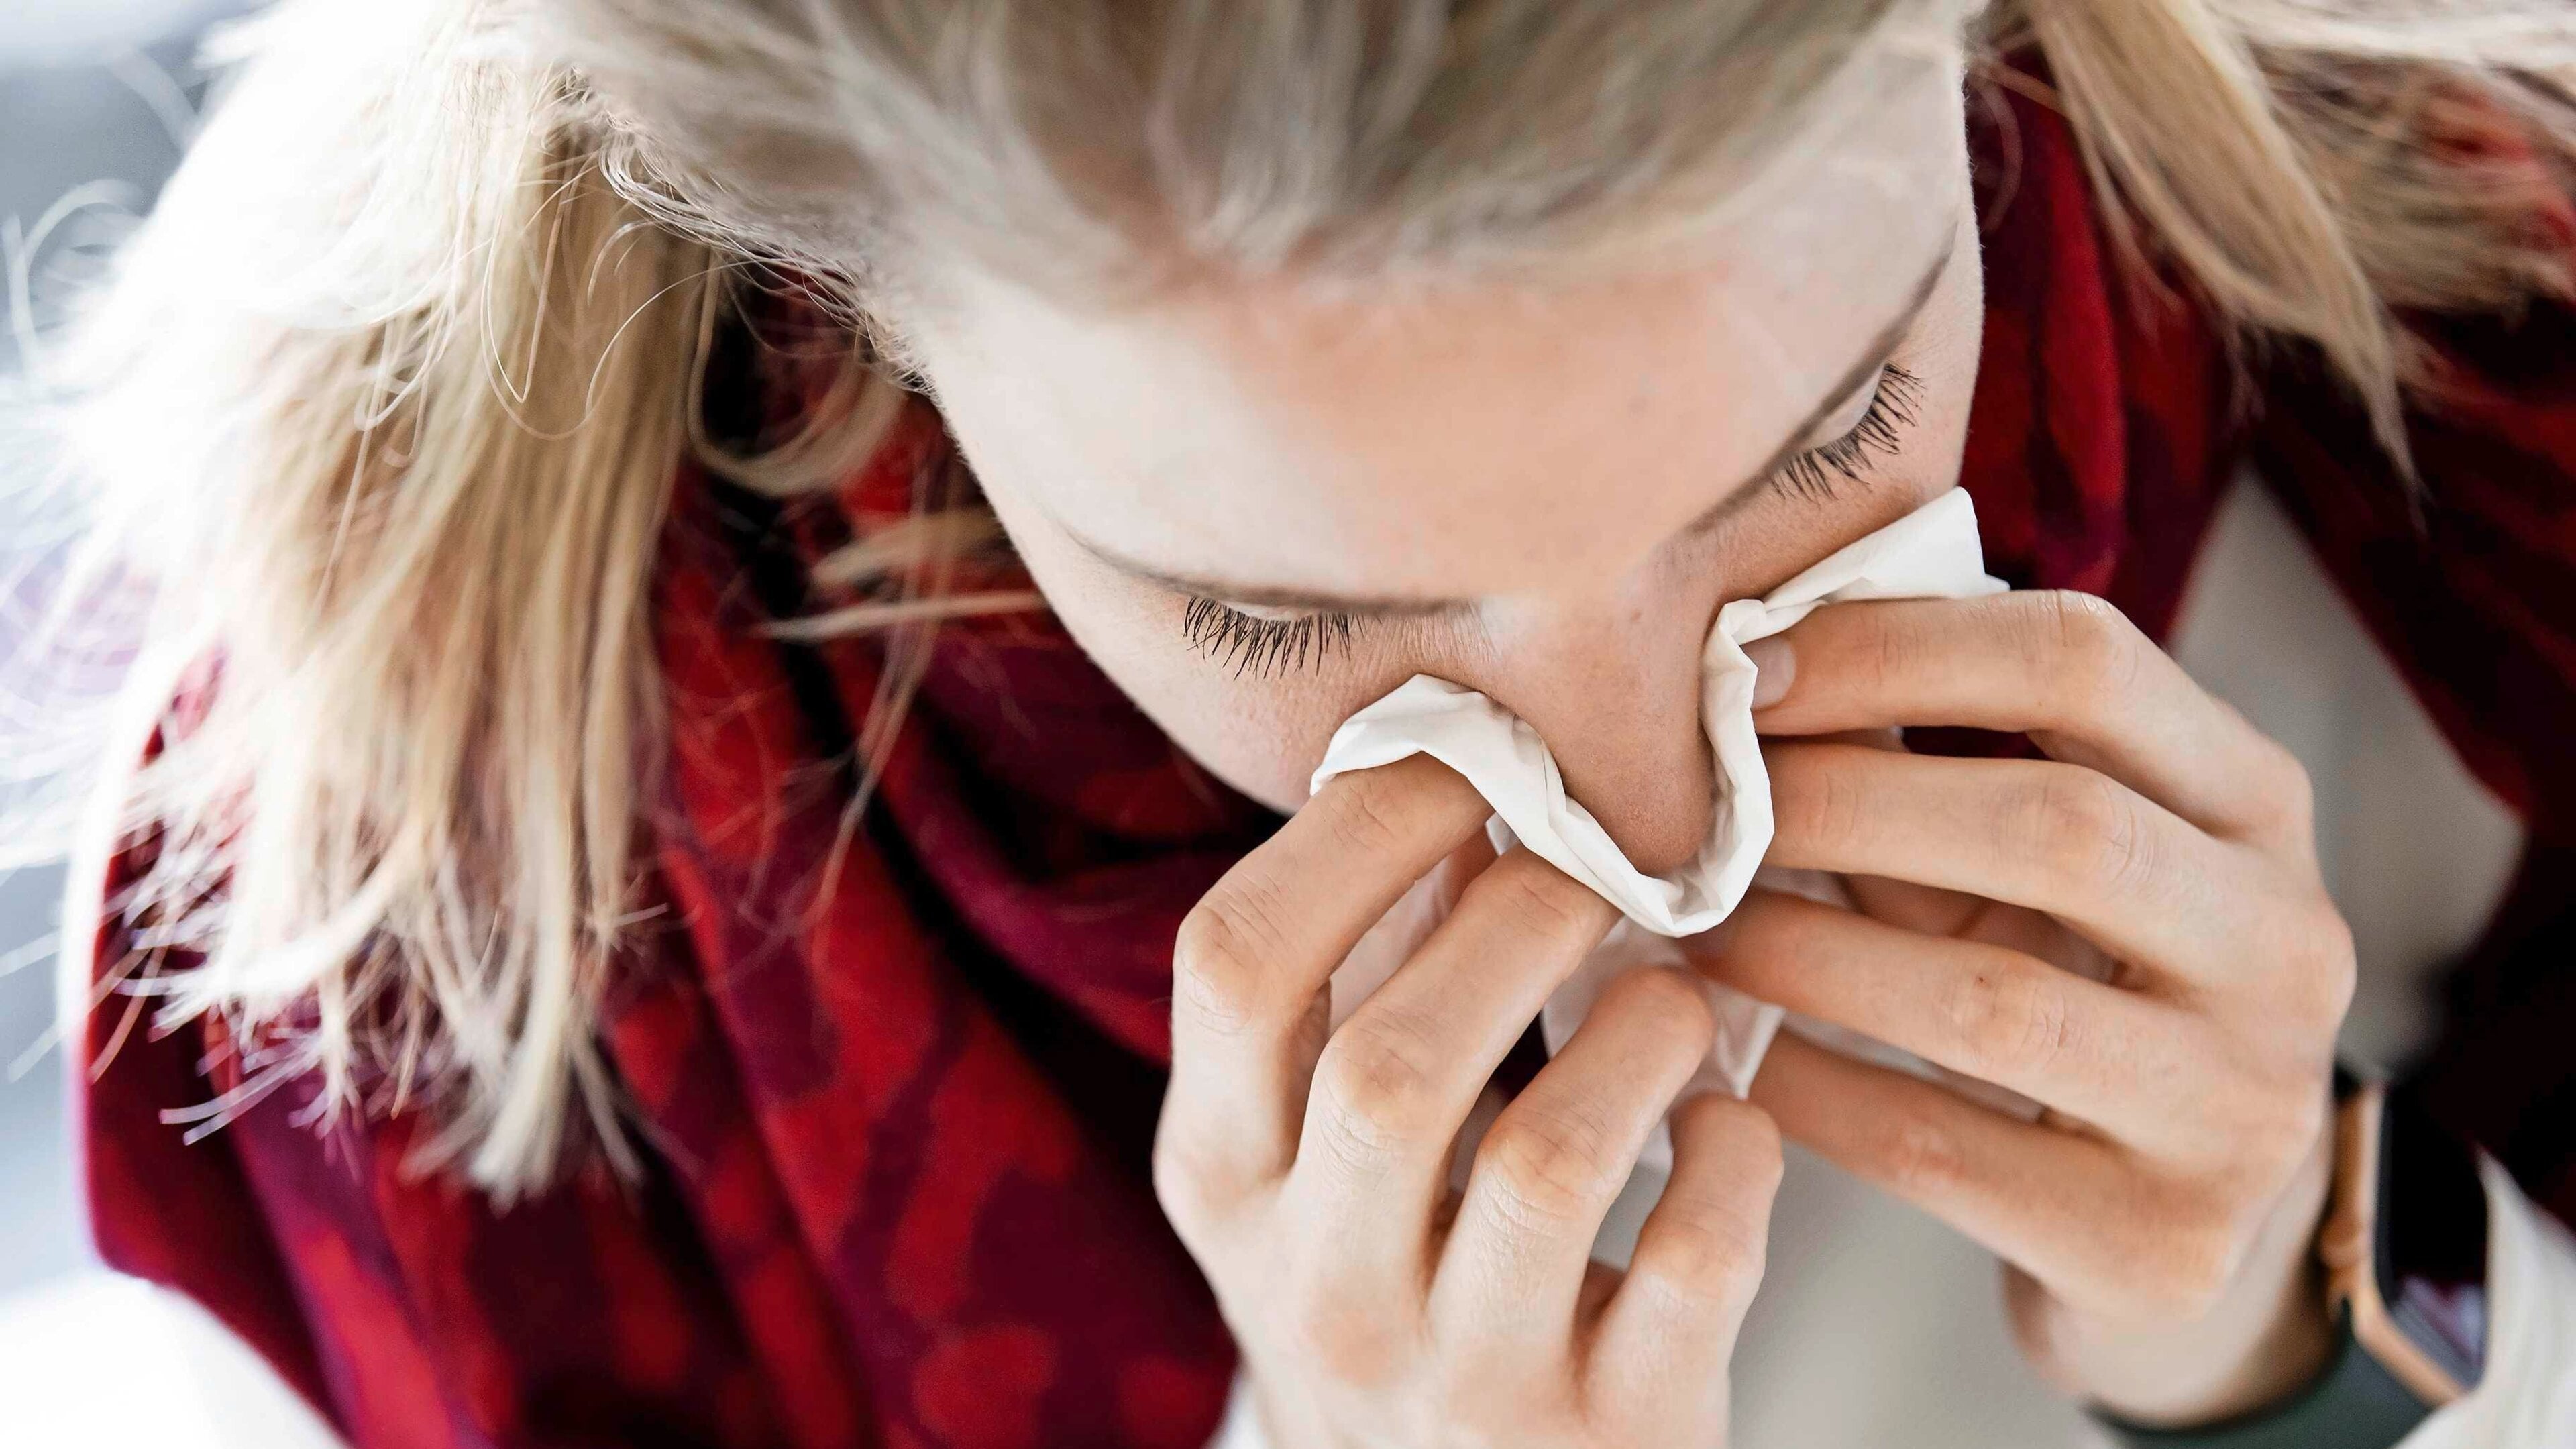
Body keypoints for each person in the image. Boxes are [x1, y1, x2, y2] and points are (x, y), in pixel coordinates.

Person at [33, 0, 2576, 1444]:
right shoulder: (413, 968)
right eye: (1285, 616)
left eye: (1828, 435)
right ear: (833, 291)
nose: (1659, 822)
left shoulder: (2474, 405)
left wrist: (2311, 1307)